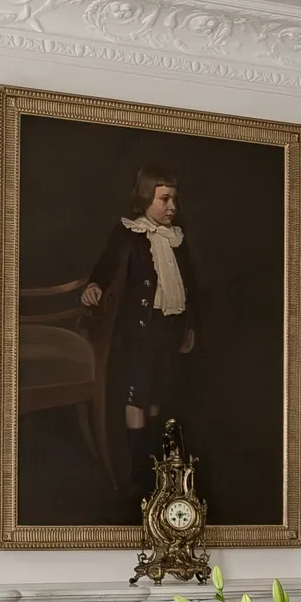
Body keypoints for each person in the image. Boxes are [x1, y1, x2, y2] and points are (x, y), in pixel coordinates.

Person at [82, 167, 196, 492]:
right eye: (164, 199)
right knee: (138, 396)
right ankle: (139, 468)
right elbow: (105, 266)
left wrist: (189, 327)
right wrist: (94, 285)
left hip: (168, 328)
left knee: (157, 394)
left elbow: (191, 287)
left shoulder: (177, 239)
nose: (172, 206)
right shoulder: (128, 233)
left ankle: (154, 460)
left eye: (174, 199)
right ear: (146, 198)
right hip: (138, 331)